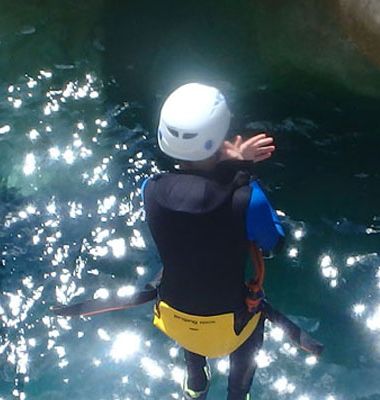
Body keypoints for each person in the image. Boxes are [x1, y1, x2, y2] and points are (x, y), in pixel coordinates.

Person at [142, 82, 285, 400]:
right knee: (252, 320)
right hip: (231, 326)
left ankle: (196, 384)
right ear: (220, 136)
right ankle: (238, 394)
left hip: (175, 317)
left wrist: (232, 167)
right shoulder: (248, 197)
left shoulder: (149, 189)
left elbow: (194, 200)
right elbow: (273, 244)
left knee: (190, 296)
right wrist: (239, 169)